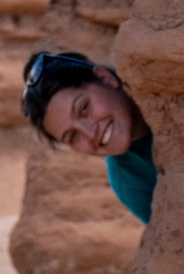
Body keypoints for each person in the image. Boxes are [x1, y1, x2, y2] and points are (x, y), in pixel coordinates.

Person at [21, 49, 155, 223]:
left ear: (106, 79)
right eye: (73, 136)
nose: (90, 134)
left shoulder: (173, 87)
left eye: (84, 108)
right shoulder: (130, 185)